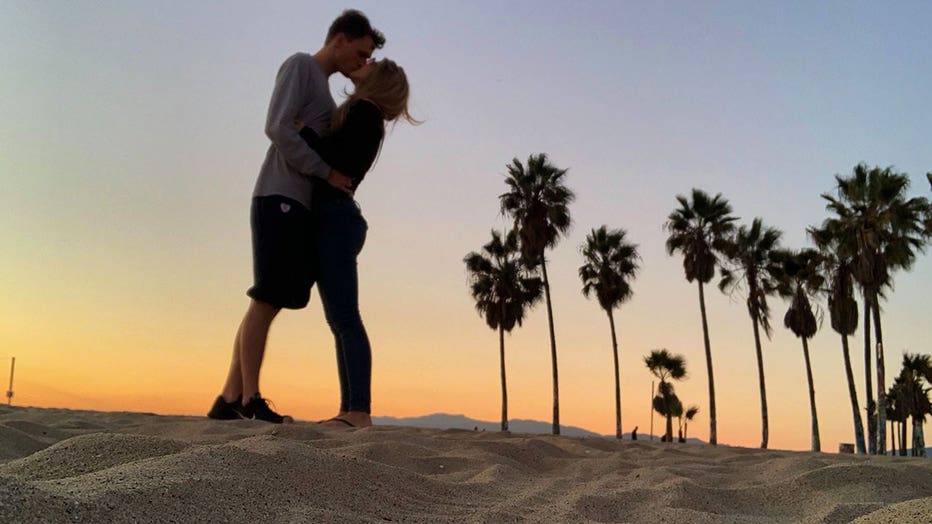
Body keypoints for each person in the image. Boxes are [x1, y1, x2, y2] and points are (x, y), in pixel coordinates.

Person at [207, 10, 384, 423]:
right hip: (279, 195)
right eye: (360, 53)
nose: (362, 62)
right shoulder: (301, 66)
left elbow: (307, 137)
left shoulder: (325, 94)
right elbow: (277, 127)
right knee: (266, 298)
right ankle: (249, 399)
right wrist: (324, 170)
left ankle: (230, 396)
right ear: (339, 39)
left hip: (299, 204)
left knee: (270, 300)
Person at [295, 58, 418, 428]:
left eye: (374, 63)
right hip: (335, 217)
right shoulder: (363, 114)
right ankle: (350, 410)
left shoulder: (365, 112)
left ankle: (359, 411)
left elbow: (339, 162)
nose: (367, 62)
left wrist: (304, 133)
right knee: (339, 319)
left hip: (337, 218)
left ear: (380, 79)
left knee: (346, 317)